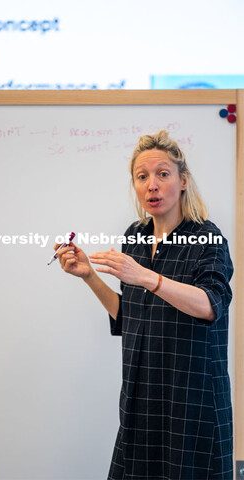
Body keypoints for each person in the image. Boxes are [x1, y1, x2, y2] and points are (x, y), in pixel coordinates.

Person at [54, 130, 233, 480]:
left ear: (183, 181)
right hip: (142, 401)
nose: (152, 184)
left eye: (163, 174)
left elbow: (210, 305)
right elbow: (131, 318)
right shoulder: (134, 237)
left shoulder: (207, 239)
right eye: (142, 176)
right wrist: (89, 275)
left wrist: (148, 277)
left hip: (191, 403)